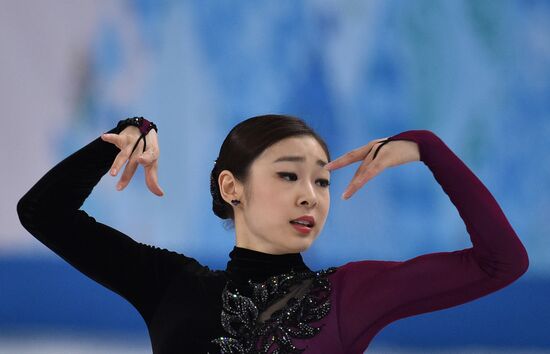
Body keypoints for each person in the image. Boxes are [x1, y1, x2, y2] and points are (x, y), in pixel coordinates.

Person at [17, 114, 529, 354]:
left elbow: (502, 262)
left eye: (322, 181)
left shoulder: (349, 295)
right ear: (231, 187)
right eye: (289, 174)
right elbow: (42, 212)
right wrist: (124, 135)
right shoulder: (169, 284)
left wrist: (427, 146)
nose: (311, 195)